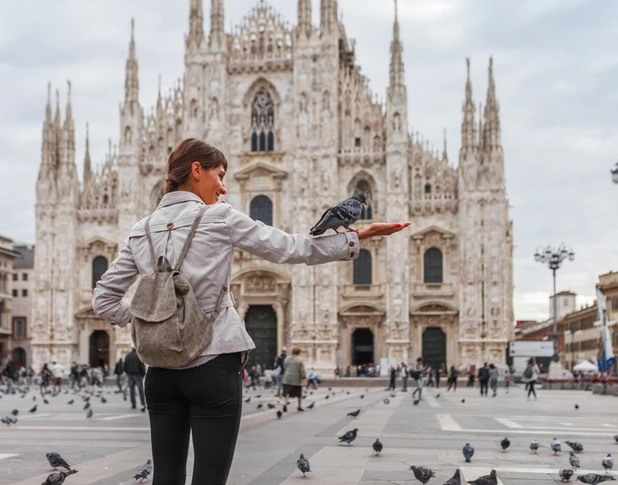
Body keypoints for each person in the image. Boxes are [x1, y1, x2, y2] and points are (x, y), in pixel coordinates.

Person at [92, 138, 409, 485]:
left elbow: (104, 298)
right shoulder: (219, 217)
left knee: (165, 477)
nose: (223, 187)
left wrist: (151, 321)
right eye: (219, 175)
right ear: (196, 171)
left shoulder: (142, 229)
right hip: (212, 364)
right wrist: (357, 237)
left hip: (160, 373)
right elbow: (291, 248)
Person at [282, 346, 307, 411]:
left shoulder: (287, 358)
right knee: (299, 394)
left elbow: (284, 367)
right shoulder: (300, 360)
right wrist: (304, 379)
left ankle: (285, 404)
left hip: (287, 378)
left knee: (286, 392)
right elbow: (302, 370)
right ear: (299, 352)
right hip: (296, 379)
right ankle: (299, 406)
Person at [124, 346, 147, 412]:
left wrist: (128, 372)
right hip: (138, 375)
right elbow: (142, 366)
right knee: (140, 390)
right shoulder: (139, 356)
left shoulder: (128, 356)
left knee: (132, 390)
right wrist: (143, 374)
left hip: (130, 374)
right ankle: (142, 404)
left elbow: (125, 366)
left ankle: (133, 404)